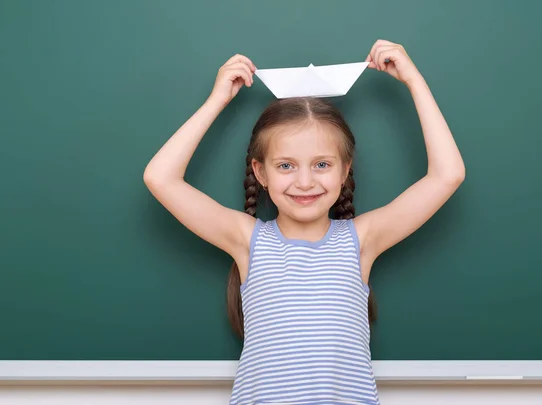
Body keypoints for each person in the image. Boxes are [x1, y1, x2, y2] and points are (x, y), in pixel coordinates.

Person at [143, 39, 465, 405]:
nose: (305, 182)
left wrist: (414, 80)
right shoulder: (248, 241)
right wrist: (217, 100)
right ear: (260, 172)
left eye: (322, 164)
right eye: (285, 166)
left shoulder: (361, 241)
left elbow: (447, 175)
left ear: (345, 170)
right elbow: (161, 178)